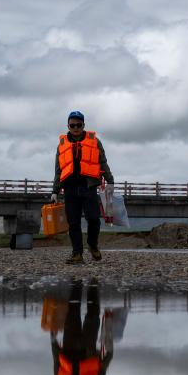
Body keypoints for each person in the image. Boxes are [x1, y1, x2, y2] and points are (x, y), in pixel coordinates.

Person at [52, 110, 114, 264]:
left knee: (93, 219)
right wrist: (55, 190)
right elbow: (58, 170)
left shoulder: (95, 141)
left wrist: (110, 180)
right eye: (72, 125)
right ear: (68, 125)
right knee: (73, 223)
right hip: (70, 189)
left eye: (79, 125)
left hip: (89, 186)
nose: (76, 128)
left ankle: (92, 245)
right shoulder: (61, 144)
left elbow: (103, 162)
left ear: (83, 125)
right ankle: (77, 254)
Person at [50, 281, 114, 375]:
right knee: (93, 314)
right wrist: (109, 352)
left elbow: (56, 363)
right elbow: (102, 369)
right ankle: (93, 284)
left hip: (69, 346)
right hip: (88, 349)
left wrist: (53, 340)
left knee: (72, 311)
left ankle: (77, 282)